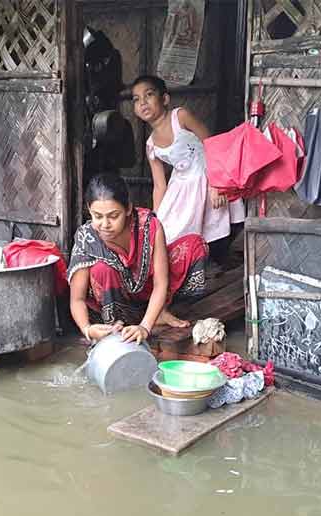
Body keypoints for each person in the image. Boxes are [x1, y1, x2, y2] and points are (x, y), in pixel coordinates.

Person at [68, 173, 209, 344]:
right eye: (97, 216)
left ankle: (159, 312)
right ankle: (115, 323)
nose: (105, 224)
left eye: (113, 216)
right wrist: (87, 329)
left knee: (194, 245)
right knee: (101, 269)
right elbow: (77, 299)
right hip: (114, 299)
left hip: (149, 292)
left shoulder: (149, 226)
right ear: (89, 210)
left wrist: (145, 327)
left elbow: (161, 283)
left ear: (128, 209)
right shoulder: (87, 237)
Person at [131, 74, 244, 262]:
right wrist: (156, 218)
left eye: (149, 95)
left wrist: (217, 185)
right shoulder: (151, 145)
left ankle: (219, 261)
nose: (143, 102)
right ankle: (189, 268)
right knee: (167, 230)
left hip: (209, 173)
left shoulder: (180, 116)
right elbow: (159, 185)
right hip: (182, 185)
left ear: (164, 99)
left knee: (216, 225)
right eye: (136, 99)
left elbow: (211, 143)